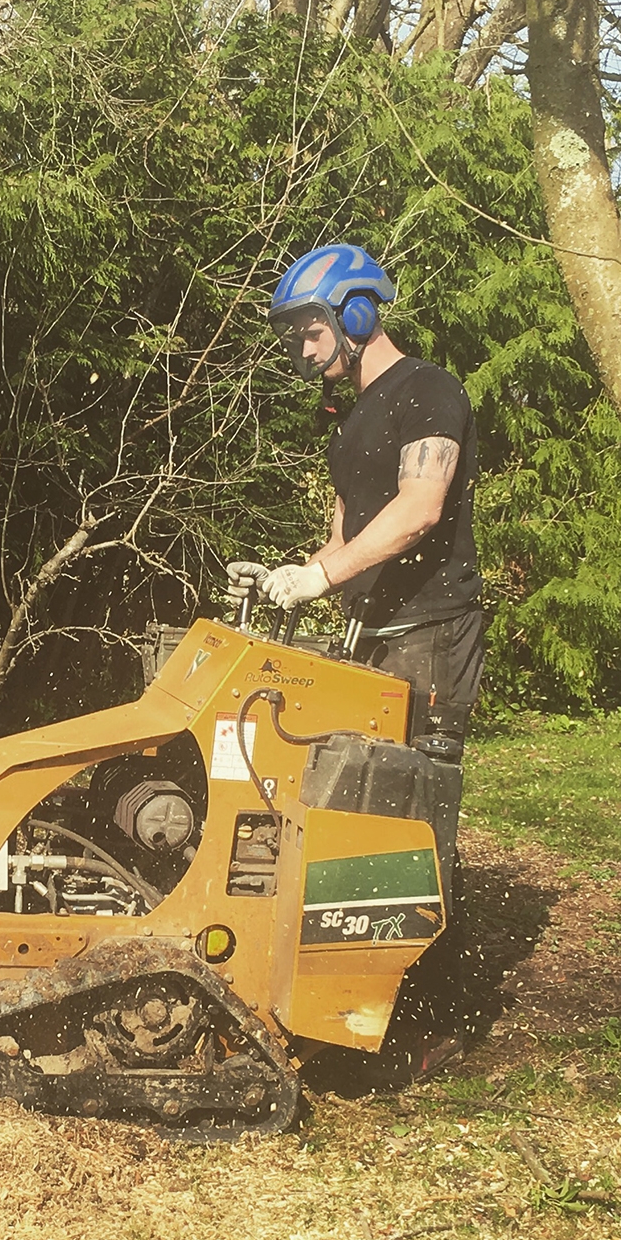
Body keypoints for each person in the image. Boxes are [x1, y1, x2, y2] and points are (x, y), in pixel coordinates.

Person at [228, 241, 486, 828]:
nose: (305, 350)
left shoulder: (428, 389)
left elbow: (420, 508)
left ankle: (429, 919)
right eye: (294, 339)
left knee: (413, 799)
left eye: (311, 331)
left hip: (429, 633)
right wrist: (286, 577)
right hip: (369, 632)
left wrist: (321, 576)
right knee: (359, 805)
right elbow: (343, 542)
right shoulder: (350, 422)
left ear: (357, 314)